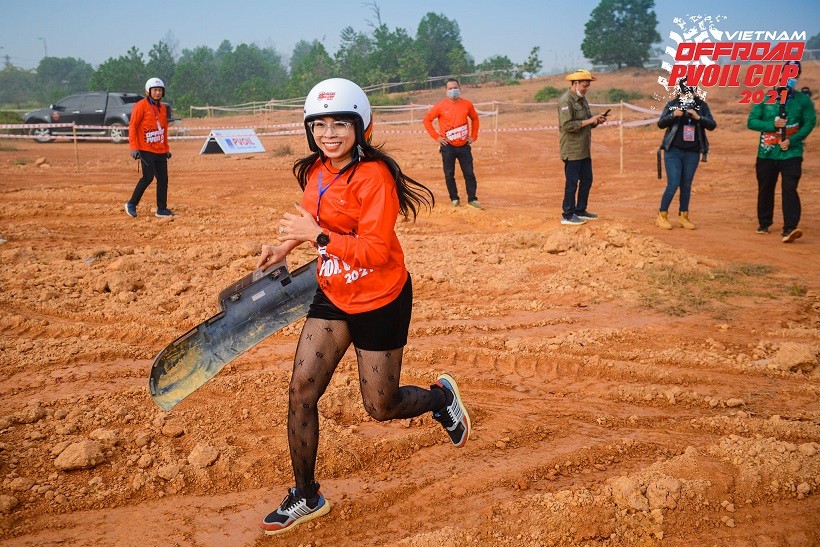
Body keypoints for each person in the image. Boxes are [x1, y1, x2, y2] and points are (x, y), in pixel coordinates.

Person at [256, 78, 471, 536]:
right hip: (333, 293)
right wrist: (284, 245)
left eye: (340, 123)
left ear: (361, 125)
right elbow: (311, 217)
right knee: (301, 392)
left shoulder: (374, 178)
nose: (329, 133)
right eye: (319, 124)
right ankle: (306, 494)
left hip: (381, 299)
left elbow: (374, 250)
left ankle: (440, 398)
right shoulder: (315, 170)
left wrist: (316, 235)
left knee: (381, 405)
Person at [747, 60, 816, 242]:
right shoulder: (765, 97)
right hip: (767, 153)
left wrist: (792, 140)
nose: (791, 78)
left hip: (791, 154)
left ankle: (790, 229)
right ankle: (764, 223)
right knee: (765, 188)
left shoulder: (803, 100)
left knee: (790, 189)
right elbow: (752, 121)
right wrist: (772, 124)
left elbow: (809, 122)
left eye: (794, 74)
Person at [655, 82, 717, 230]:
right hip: (673, 150)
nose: (686, 96)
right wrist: (673, 115)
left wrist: (698, 117)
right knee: (673, 183)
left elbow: (712, 125)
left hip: (692, 151)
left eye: (689, 93)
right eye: (684, 93)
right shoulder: (672, 104)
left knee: (686, 186)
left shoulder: (701, 106)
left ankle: (684, 216)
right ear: (679, 92)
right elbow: (661, 123)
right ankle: (662, 215)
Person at [423, 78, 483, 209]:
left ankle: (472, 199)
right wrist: (437, 137)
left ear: (459, 88)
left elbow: (475, 119)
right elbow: (427, 120)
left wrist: (473, 136)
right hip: (447, 146)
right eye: (450, 88)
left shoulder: (467, 104)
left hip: (464, 146)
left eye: (455, 87)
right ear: (446, 91)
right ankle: (454, 199)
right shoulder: (440, 106)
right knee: (449, 174)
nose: (453, 90)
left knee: (469, 173)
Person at [557, 69, 607, 226]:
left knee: (587, 180)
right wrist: (589, 120)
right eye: (584, 85)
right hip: (572, 150)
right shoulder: (566, 101)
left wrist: (596, 122)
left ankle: (580, 210)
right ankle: (568, 214)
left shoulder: (582, 99)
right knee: (571, 183)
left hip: (584, 149)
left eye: (588, 86)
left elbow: (586, 124)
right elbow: (567, 125)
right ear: (576, 83)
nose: (586, 89)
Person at [125, 77, 174, 218]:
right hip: (145, 149)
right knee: (148, 177)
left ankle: (162, 209)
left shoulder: (163, 108)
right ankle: (131, 204)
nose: (158, 93)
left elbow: (164, 129)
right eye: (155, 90)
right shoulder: (140, 106)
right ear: (148, 91)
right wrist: (134, 148)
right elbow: (133, 126)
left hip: (159, 150)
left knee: (163, 179)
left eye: (160, 90)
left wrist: (166, 148)